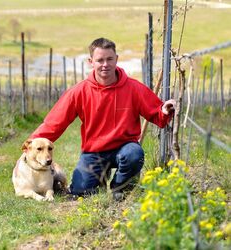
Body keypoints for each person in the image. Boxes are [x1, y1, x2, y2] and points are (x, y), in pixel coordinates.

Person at [29, 37, 176, 200]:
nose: (105, 64)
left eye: (109, 59)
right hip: (94, 152)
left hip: (124, 148)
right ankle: (98, 177)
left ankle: (120, 188)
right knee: (81, 192)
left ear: (117, 59)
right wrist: (31, 144)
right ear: (91, 62)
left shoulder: (133, 88)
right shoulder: (79, 91)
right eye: (100, 60)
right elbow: (54, 123)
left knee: (135, 154)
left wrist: (164, 110)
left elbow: (156, 113)